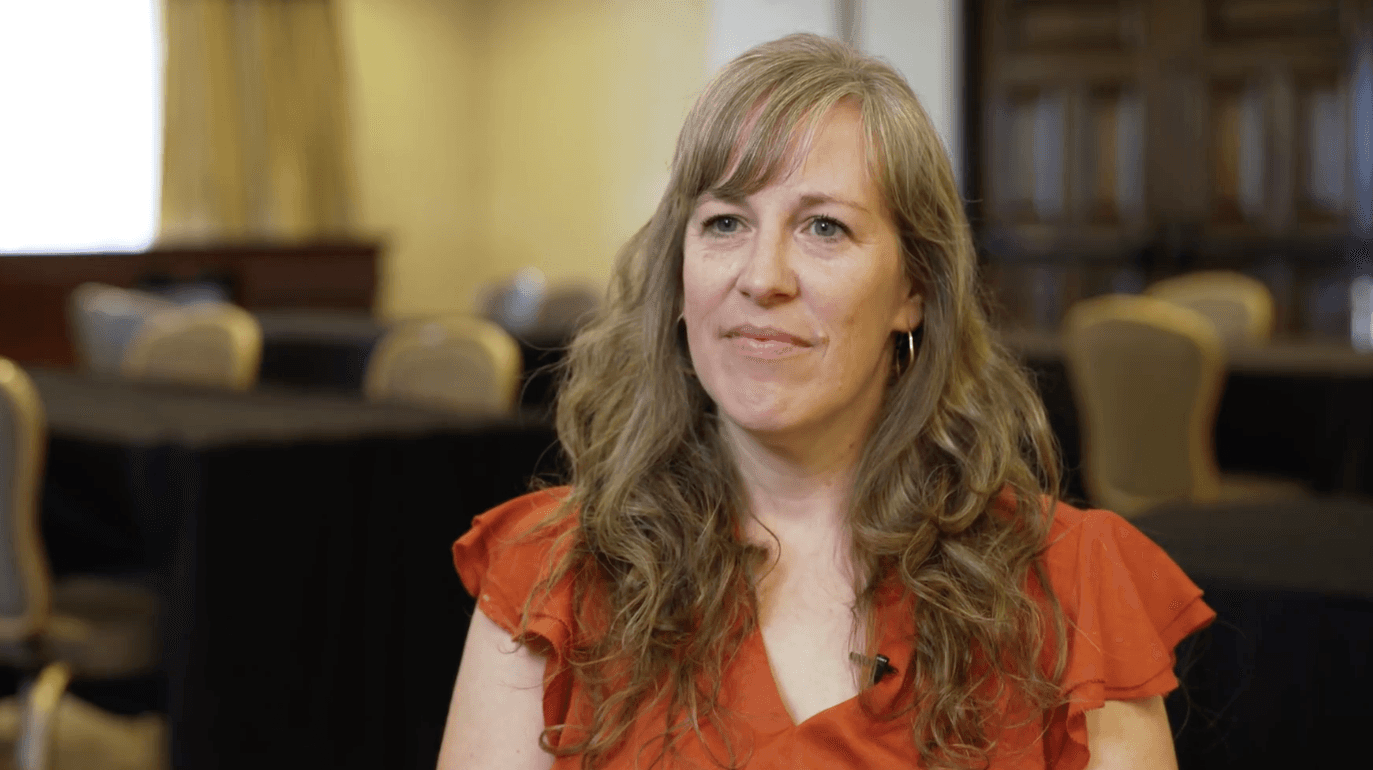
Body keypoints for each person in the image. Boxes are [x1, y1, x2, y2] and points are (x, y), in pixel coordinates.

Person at [438, 33, 1214, 770]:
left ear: (914, 290)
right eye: (724, 222)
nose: (762, 276)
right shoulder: (550, 580)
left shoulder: (1069, 585)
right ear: (679, 280)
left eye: (823, 227)